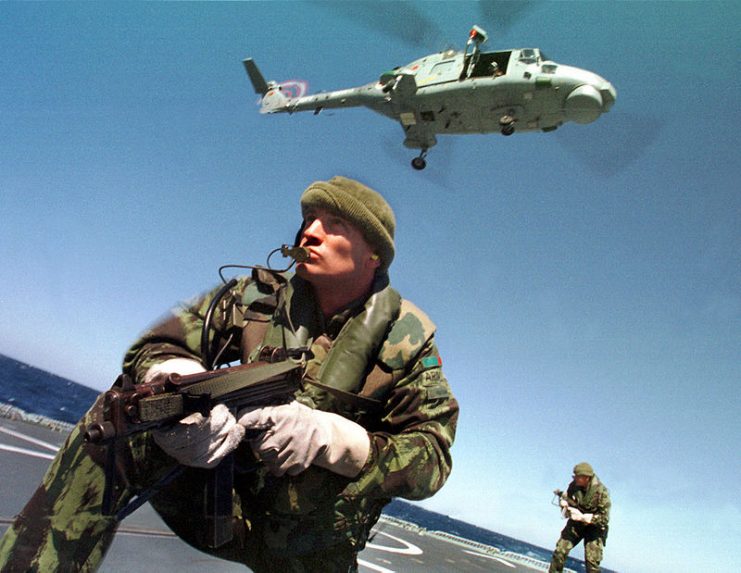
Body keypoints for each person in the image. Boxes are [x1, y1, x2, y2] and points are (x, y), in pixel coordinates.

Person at [0, 176, 459, 572]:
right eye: (308, 221)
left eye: (334, 223)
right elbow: (158, 346)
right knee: (120, 415)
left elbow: (431, 457)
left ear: (374, 254)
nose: (311, 231)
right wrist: (178, 399)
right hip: (222, 500)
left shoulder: (408, 340)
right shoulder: (254, 296)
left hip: (311, 542)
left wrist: (335, 441)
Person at [549, 462, 611, 573]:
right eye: (574, 476)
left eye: (578, 477)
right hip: (576, 524)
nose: (575, 479)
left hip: (594, 528)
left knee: (592, 563)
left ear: (587, 478)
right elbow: (568, 498)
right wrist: (564, 504)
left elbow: (604, 519)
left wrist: (584, 518)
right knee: (559, 551)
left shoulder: (602, 493)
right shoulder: (574, 485)